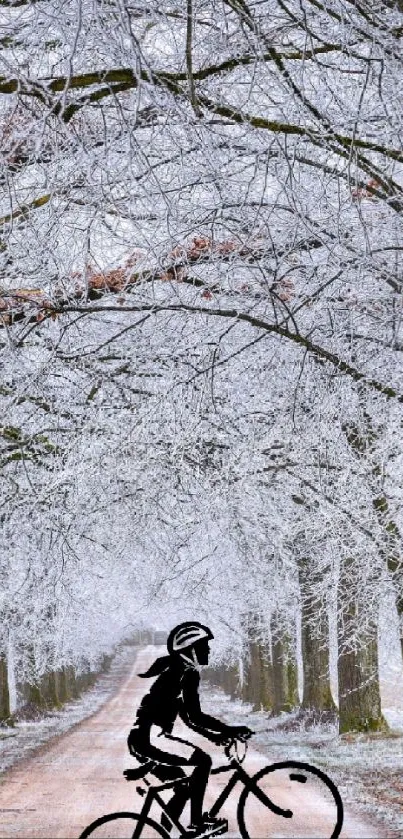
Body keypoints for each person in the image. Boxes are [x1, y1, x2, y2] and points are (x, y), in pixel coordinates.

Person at [128, 622, 252, 838]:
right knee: (203, 762)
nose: (209, 650)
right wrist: (230, 730)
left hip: (143, 737)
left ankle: (165, 834)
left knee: (184, 788)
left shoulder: (177, 671)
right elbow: (195, 715)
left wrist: (216, 736)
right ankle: (197, 823)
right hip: (150, 737)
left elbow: (188, 717)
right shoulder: (186, 673)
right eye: (204, 646)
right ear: (190, 649)